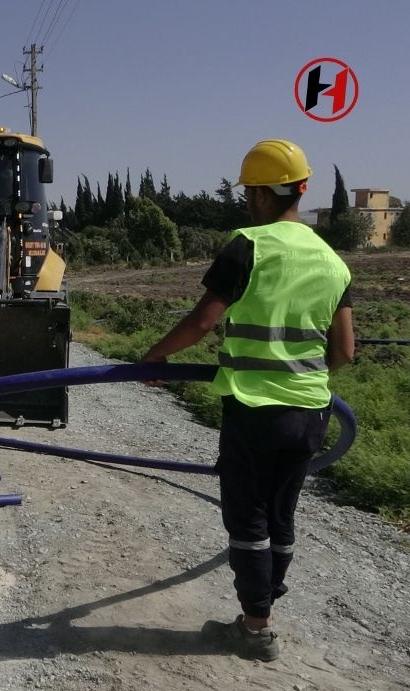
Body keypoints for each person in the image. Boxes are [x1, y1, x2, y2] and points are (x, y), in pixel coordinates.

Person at [139, 139, 355, 662]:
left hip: (256, 409)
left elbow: (202, 321)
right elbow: (345, 351)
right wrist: (300, 374)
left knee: (249, 518)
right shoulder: (332, 260)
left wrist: (153, 360)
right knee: (281, 515)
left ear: (259, 195)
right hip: (311, 412)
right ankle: (262, 611)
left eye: (249, 193)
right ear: (301, 189)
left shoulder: (248, 245)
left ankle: (256, 626)